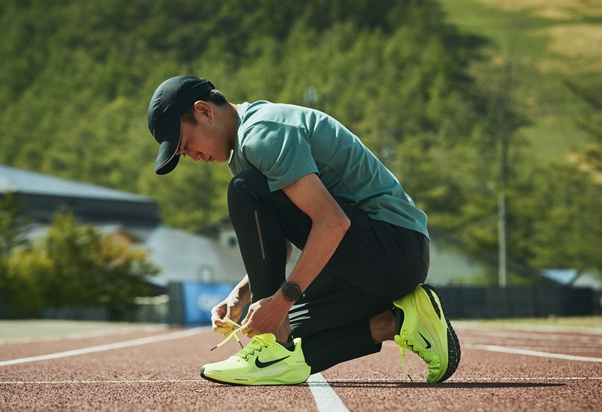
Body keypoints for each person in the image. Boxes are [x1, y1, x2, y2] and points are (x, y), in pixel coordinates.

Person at [147, 75, 460, 385]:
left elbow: (333, 221)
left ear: (204, 111)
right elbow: (278, 246)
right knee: (289, 341)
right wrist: (239, 296)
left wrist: (282, 301)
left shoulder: (262, 133)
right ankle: (400, 321)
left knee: (244, 192)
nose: (193, 157)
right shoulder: (245, 150)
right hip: (375, 263)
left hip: (393, 248)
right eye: (183, 155)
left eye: (186, 144)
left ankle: (272, 350)